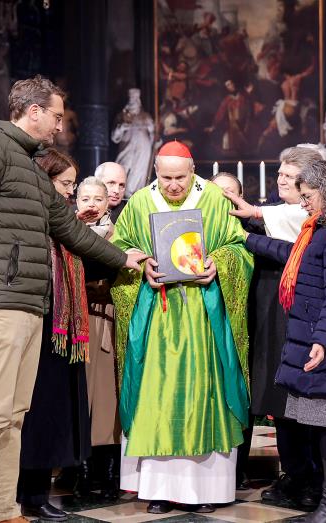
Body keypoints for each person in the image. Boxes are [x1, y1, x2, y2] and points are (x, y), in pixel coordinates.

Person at [0, 74, 145, 523]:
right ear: (33, 112)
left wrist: (123, 258)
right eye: (56, 115)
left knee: (12, 415)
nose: (60, 125)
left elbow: (67, 230)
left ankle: (2, 508)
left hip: (27, 304)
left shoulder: (28, 165)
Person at [111, 140, 253, 514]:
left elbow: (240, 247)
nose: (173, 185)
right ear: (156, 172)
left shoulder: (216, 201)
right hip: (157, 315)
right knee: (158, 396)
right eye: (166, 177)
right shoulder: (140, 202)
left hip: (203, 319)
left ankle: (208, 491)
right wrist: (142, 267)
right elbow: (119, 249)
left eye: (180, 177)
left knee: (204, 393)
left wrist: (219, 263)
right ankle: (159, 490)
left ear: (193, 171)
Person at [245, 160, 326, 522]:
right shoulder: (323, 229)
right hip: (313, 339)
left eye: (309, 196)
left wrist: (323, 341)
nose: (303, 203)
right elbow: (295, 259)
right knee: (318, 423)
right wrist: (247, 239)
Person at [223, 147, 325, 507]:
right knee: (279, 399)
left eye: (289, 173)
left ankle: (308, 479)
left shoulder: (316, 219)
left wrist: (247, 230)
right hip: (269, 314)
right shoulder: (273, 211)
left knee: (296, 401)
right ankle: (297, 475)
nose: (281, 178)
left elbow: (290, 244)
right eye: (279, 173)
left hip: (295, 316)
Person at [17, 148, 94, 522]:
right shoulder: (26, 219)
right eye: (65, 184)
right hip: (35, 326)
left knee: (50, 416)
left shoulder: (63, 221)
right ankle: (24, 493)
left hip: (62, 332)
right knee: (31, 414)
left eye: (73, 185)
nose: (69, 191)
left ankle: (36, 493)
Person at [76, 176, 122, 500]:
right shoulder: (67, 233)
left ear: (108, 203)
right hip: (73, 322)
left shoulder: (119, 233)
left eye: (98, 199)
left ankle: (107, 473)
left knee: (106, 398)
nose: (91, 204)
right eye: (85, 198)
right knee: (79, 397)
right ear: (75, 203)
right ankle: (79, 470)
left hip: (104, 321)